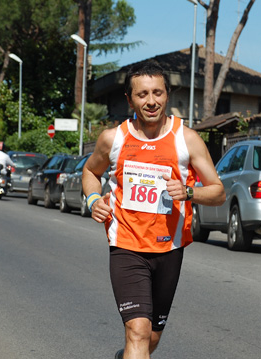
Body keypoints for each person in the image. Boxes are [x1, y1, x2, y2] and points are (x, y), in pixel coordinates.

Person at [82, 62, 225, 359]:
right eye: (143, 94)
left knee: (152, 338)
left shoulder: (186, 139)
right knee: (138, 331)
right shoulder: (113, 139)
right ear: (129, 99)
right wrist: (94, 200)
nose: (151, 101)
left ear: (167, 95)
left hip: (169, 249)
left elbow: (218, 192)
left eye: (157, 93)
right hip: (126, 246)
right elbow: (90, 171)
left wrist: (188, 192)